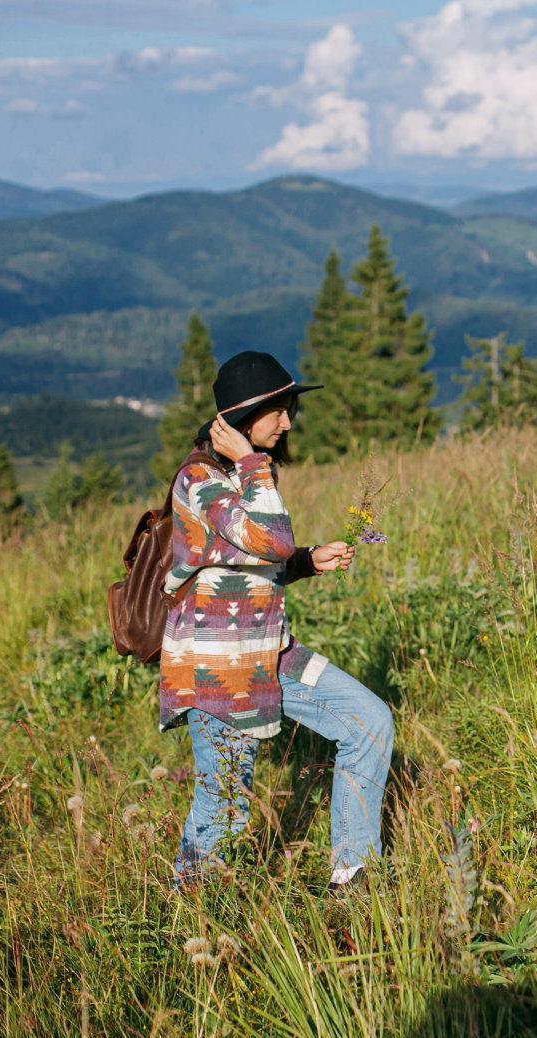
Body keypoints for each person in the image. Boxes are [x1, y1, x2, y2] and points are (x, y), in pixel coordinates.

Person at [158, 349, 394, 896]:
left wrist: (309, 561)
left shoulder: (243, 475)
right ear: (244, 419)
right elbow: (269, 537)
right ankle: (181, 916)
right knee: (225, 809)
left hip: (272, 654)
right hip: (218, 671)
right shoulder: (200, 479)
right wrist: (250, 462)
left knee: (369, 721)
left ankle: (352, 874)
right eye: (280, 410)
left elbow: (252, 561)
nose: (289, 422)